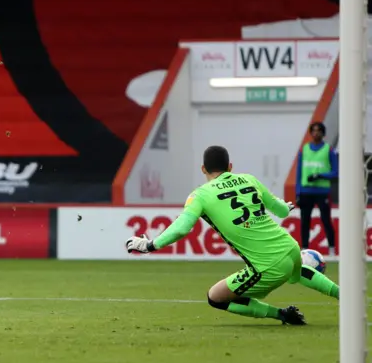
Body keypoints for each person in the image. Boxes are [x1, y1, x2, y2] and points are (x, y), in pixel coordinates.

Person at [126, 146, 340, 325]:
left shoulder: (200, 195)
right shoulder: (249, 179)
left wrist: (149, 245)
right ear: (230, 167)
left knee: (215, 297)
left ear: (203, 169)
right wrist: (286, 207)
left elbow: (182, 228)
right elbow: (282, 211)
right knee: (297, 272)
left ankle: (282, 314)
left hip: (267, 266)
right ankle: (346, 295)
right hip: (291, 248)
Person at [296, 121, 338, 256]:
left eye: (319, 130)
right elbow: (299, 172)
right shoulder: (304, 149)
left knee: (326, 220)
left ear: (323, 133)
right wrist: (298, 192)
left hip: (322, 191)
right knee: (304, 221)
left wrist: (320, 175)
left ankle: (332, 249)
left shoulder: (328, 150)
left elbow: (336, 172)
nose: (316, 133)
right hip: (306, 191)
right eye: (313, 130)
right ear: (310, 133)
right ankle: (304, 249)